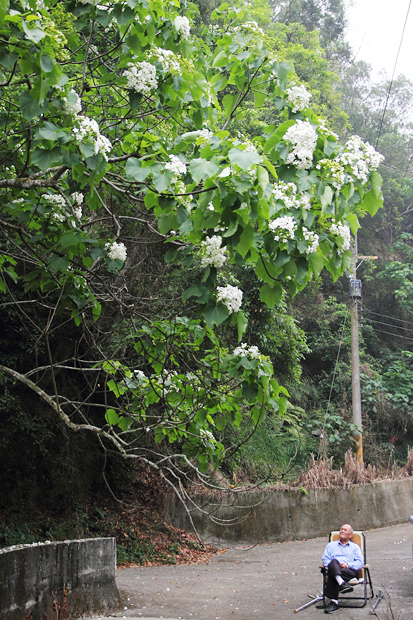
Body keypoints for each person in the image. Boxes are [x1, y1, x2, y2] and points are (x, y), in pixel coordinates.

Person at [321, 524, 363, 614]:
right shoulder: (331, 545)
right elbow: (325, 559)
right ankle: (342, 584)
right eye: (341, 529)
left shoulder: (355, 547)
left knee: (333, 573)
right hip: (335, 569)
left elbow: (360, 563)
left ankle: (334, 602)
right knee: (334, 562)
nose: (342, 531)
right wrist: (335, 565)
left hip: (349, 571)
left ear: (350, 535)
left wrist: (347, 565)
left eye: (345, 530)